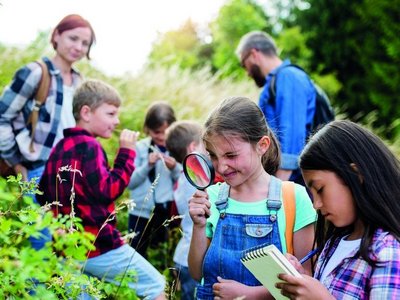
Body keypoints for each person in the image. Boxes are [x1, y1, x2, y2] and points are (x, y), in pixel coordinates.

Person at [37, 80, 166, 299]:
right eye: (111, 114)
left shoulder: (60, 147)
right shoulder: (90, 146)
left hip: (66, 248)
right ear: (86, 112)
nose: (116, 121)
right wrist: (126, 153)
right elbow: (109, 190)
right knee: (156, 286)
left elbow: (42, 195)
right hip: (98, 244)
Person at [188, 96, 317, 299]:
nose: (221, 167)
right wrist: (198, 226)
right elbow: (197, 273)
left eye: (231, 155)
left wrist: (250, 294)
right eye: (213, 156)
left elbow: (305, 277)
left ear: (262, 145)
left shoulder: (293, 197)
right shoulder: (211, 196)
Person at [0, 14, 96, 250]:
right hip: (38, 170)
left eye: (85, 43)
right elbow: (2, 117)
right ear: (56, 35)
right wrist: (18, 163)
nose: (78, 47)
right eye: (73, 38)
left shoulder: (79, 82)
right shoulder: (35, 72)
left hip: (69, 174)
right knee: (41, 244)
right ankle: (33, 288)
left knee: (66, 246)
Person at [276, 120, 400, 299]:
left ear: (356, 176)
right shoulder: (334, 243)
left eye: (320, 189)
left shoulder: (387, 251)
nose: (316, 205)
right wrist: (301, 279)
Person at [236, 31, 316, 185]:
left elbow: (291, 144)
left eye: (243, 63)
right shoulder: (275, 83)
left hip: (294, 185)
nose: (246, 72)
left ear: (254, 54)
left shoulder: (288, 77)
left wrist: (276, 193)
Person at [127, 101, 181, 258]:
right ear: (147, 129)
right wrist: (147, 165)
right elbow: (130, 183)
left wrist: (175, 168)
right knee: (136, 253)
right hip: (140, 212)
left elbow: (184, 181)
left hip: (167, 211)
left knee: (165, 253)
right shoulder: (139, 148)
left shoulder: (178, 149)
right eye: (157, 132)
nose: (162, 138)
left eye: (167, 132)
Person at [165, 120, 204, 300]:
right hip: (191, 259)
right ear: (193, 148)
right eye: (205, 144)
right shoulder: (196, 178)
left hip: (183, 255)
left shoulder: (183, 176)